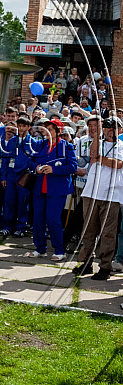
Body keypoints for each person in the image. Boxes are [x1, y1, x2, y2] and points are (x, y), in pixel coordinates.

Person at [72, 117, 123, 280]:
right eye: (107, 127)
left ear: (120, 130)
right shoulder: (98, 142)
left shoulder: (121, 145)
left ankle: (105, 266)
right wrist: (98, 135)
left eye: (114, 128)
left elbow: (118, 164)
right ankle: (85, 262)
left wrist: (100, 160)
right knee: (88, 230)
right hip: (91, 193)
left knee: (108, 233)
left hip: (111, 195)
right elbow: (92, 154)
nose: (111, 130)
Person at [25, 118, 77, 261]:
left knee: (53, 219)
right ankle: (40, 248)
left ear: (58, 131)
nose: (47, 131)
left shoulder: (67, 146)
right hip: (39, 188)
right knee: (38, 219)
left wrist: (54, 169)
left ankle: (59, 250)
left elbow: (73, 167)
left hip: (57, 189)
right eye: (45, 128)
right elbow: (29, 160)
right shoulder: (41, 145)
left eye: (51, 129)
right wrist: (36, 168)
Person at [0, 115, 32, 238]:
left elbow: (34, 160)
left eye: (24, 126)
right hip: (11, 176)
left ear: (29, 127)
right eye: (20, 125)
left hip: (24, 177)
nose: (21, 128)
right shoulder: (12, 141)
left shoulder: (33, 142)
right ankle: (7, 226)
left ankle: (21, 227)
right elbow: (5, 160)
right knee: (9, 201)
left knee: (23, 203)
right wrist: (3, 177)